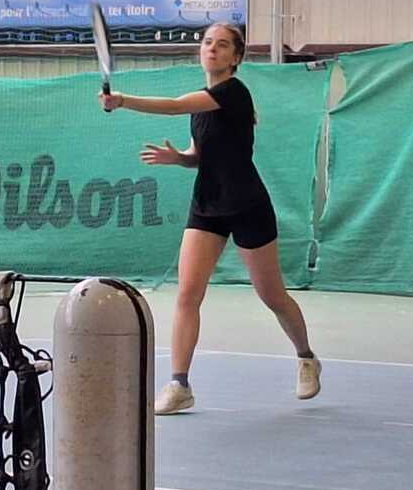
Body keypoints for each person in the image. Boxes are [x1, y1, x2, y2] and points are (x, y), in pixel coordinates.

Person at [98, 22, 320, 414]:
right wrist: (179, 158)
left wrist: (123, 100)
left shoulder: (233, 92)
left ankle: (306, 358)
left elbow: (174, 105)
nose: (212, 49)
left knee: (272, 295)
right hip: (207, 205)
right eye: (207, 43)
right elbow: (200, 155)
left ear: (236, 57)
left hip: (247, 204)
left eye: (222, 45)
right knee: (187, 294)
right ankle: (179, 385)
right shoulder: (202, 106)